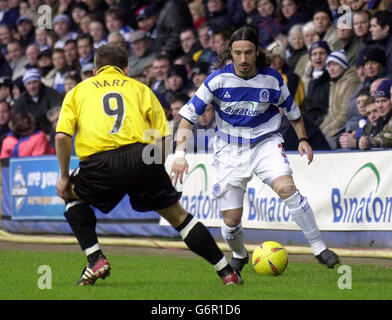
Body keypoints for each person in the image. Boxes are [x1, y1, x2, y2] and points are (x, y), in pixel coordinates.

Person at [55, 43, 241, 286]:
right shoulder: (141, 89)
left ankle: (95, 259)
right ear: (127, 69)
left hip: (100, 163)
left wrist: (63, 175)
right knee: (179, 217)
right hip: (142, 157)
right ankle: (227, 272)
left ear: (95, 70)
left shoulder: (78, 91)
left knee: (70, 194)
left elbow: (61, 137)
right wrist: (155, 169)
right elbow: (164, 137)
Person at [171, 26, 339, 276]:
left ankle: (319, 247)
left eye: (248, 52)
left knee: (286, 188)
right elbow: (187, 119)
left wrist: (303, 139)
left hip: (265, 144)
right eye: (237, 53)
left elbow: (294, 114)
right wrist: (180, 155)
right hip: (229, 150)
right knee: (230, 221)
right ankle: (239, 254)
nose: (243, 59)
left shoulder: (273, 79)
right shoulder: (216, 80)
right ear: (230, 52)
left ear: (256, 51)